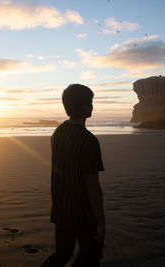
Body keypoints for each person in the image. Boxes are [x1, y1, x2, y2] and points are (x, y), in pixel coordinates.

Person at [42, 84, 105, 267]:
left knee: (62, 254)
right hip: (83, 213)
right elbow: (92, 186)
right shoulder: (89, 141)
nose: (92, 106)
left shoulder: (58, 132)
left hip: (61, 208)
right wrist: (101, 221)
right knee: (91, 255)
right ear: (84, 107)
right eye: (90, 102)